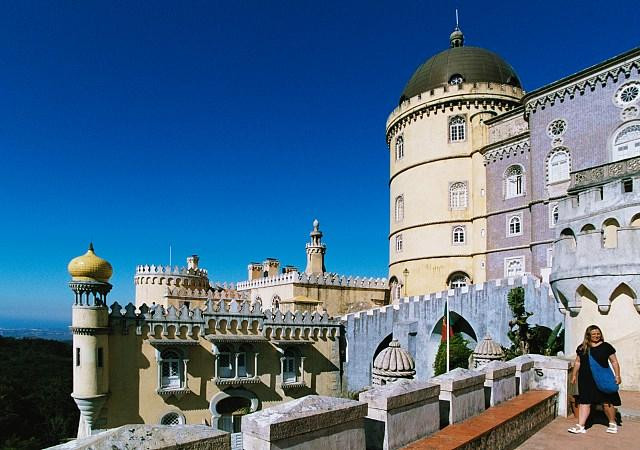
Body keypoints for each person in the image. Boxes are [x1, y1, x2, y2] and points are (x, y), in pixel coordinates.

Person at [568, 325, 621, 434]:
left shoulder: (606, 347)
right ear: (588, 335)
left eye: (598, 333)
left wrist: (617, 375)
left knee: (607, 402)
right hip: (586, 380)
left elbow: (614, 361)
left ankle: (612, 423)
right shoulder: (582, 347)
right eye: (594, 334)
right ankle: (580, 426)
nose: (597, 336)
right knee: (584, 402)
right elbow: (578, 362)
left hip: (602, 379)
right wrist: (574, 375)